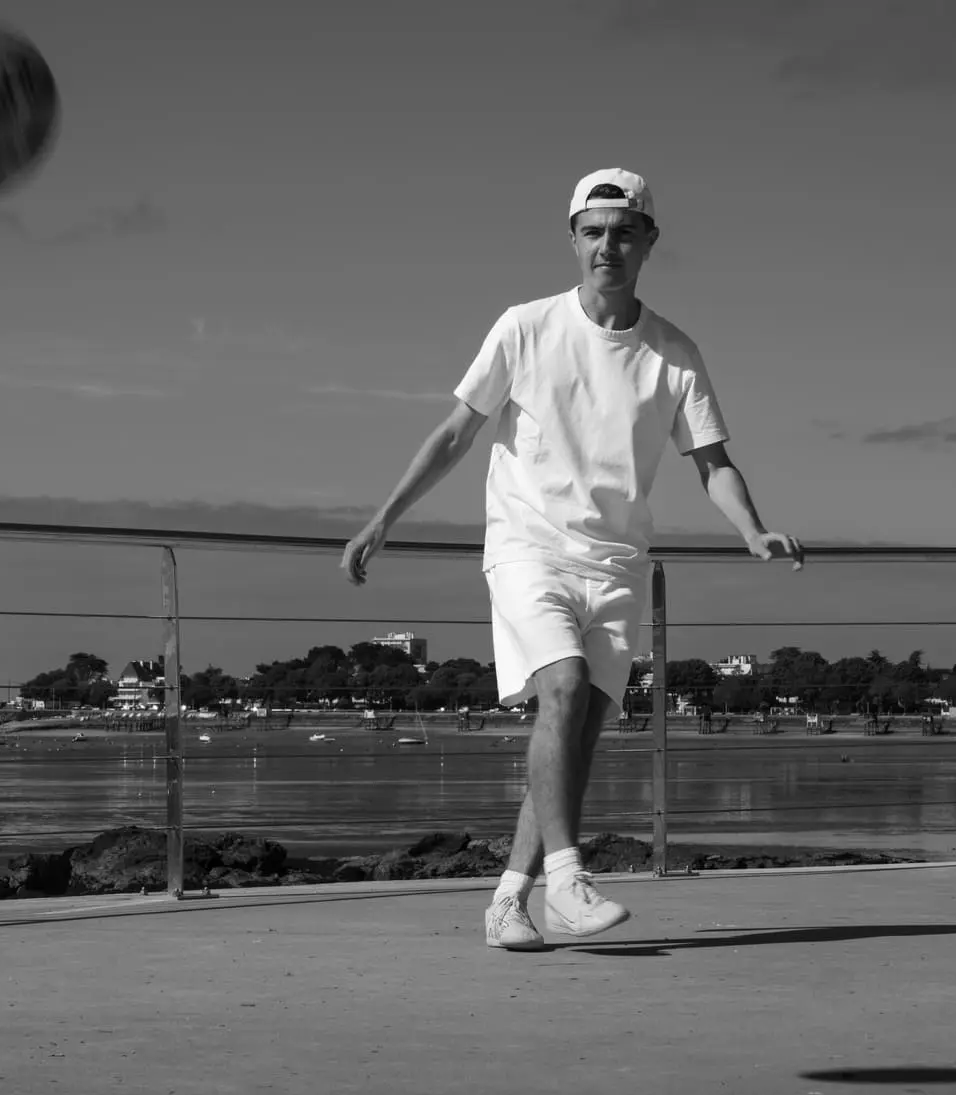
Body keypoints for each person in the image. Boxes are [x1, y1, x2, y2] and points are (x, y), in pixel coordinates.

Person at [340, 168, 803, 951]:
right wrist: (383, 517)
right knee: (558, 691)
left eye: (623, 231)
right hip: (529, 548)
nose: (606, 246)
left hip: (617, 565)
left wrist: (753, 531)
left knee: (575, 736)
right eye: (591, 232)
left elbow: (712, 462)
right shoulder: (524, 327)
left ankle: (508, 899)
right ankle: (568, 878)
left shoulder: (674, 353)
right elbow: (456, 431)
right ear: (572, 240)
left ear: (648, 241)